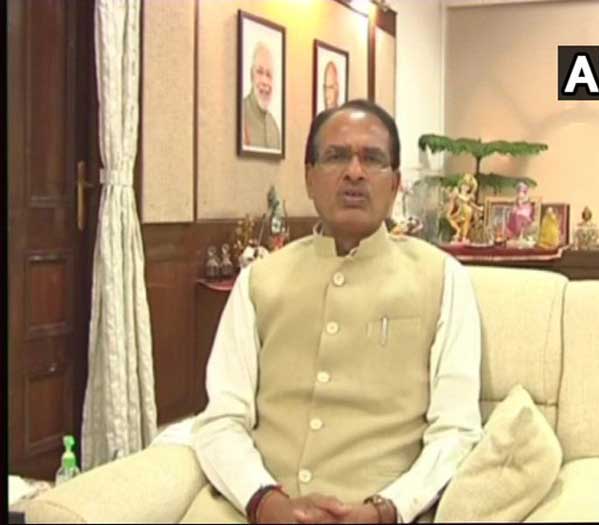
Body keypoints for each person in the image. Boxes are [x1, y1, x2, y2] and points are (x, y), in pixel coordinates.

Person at [190, 99, 483, 524]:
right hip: (257, 511)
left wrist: (386, 510)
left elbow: (456, 430)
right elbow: (221, 419)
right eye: (336, 156)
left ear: (395, 183)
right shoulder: (258, 281)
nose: (355, 172)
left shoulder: (443, 278)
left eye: (373, 159)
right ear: (309, 178)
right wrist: (266, 503)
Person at [243, 42, 281, 149]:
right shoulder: (240, 116)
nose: (264, 81)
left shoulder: (274, 127)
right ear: (251, 75)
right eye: (259, 72)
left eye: (269, 75)